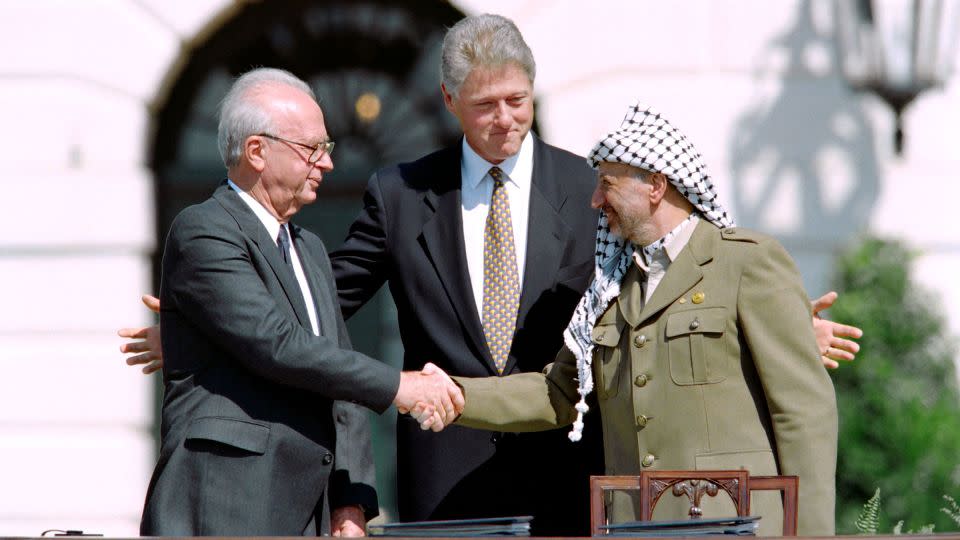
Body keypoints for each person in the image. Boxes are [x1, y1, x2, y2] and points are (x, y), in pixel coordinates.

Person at [120, 14, 861, 536]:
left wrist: (780, 328)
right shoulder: (401, 192)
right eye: (485, 106)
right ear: (449, 104)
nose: (506, 119)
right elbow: (320, 306)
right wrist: (205, 326)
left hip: (581, 476)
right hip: (448, 480)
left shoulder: (593, 187)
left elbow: (660, 294)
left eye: (518, 101)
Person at [422, 103, 839, 536]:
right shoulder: (609, 287)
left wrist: (809, 533)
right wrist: (454, 394)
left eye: (606, 184)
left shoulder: (745, 263)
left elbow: (804, 412)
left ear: (656, 186)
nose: (595, 200)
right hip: (632, 527)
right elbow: (558, 391)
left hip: (733, 525)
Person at [138, 67, 462, 537]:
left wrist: (353, 500)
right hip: (225, 505)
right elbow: (277, 344)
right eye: (313, 149)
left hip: (307, 512)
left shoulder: (307, 246)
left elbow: (337, 366)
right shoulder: (203, 229)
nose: (328, 163)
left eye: (326, 148)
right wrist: (400, 386)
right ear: (257, 152)